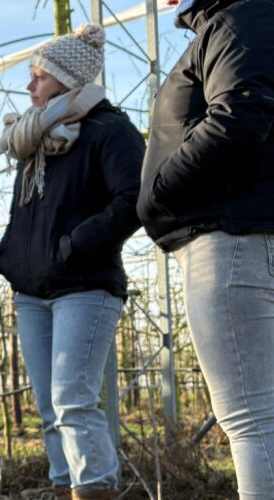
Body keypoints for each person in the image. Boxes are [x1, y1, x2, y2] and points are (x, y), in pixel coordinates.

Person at [0, 24, 143, 500]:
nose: (30, 85)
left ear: (64, 78)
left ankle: (94, 488)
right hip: (32, 290)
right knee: (47, 405)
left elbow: (134, 197)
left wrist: (74, 244)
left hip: (85, 284)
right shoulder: (36, 138)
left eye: (38, 76)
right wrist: (10, 252)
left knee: (73, 400)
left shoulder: (108, 129)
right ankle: (65, 487)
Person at [137, 1, 274, 498]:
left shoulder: (238, 19)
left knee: (252, 420)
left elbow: (240, 113)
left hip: (230, 239)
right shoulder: (238, 22)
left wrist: (158, 193)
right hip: (242, 233)